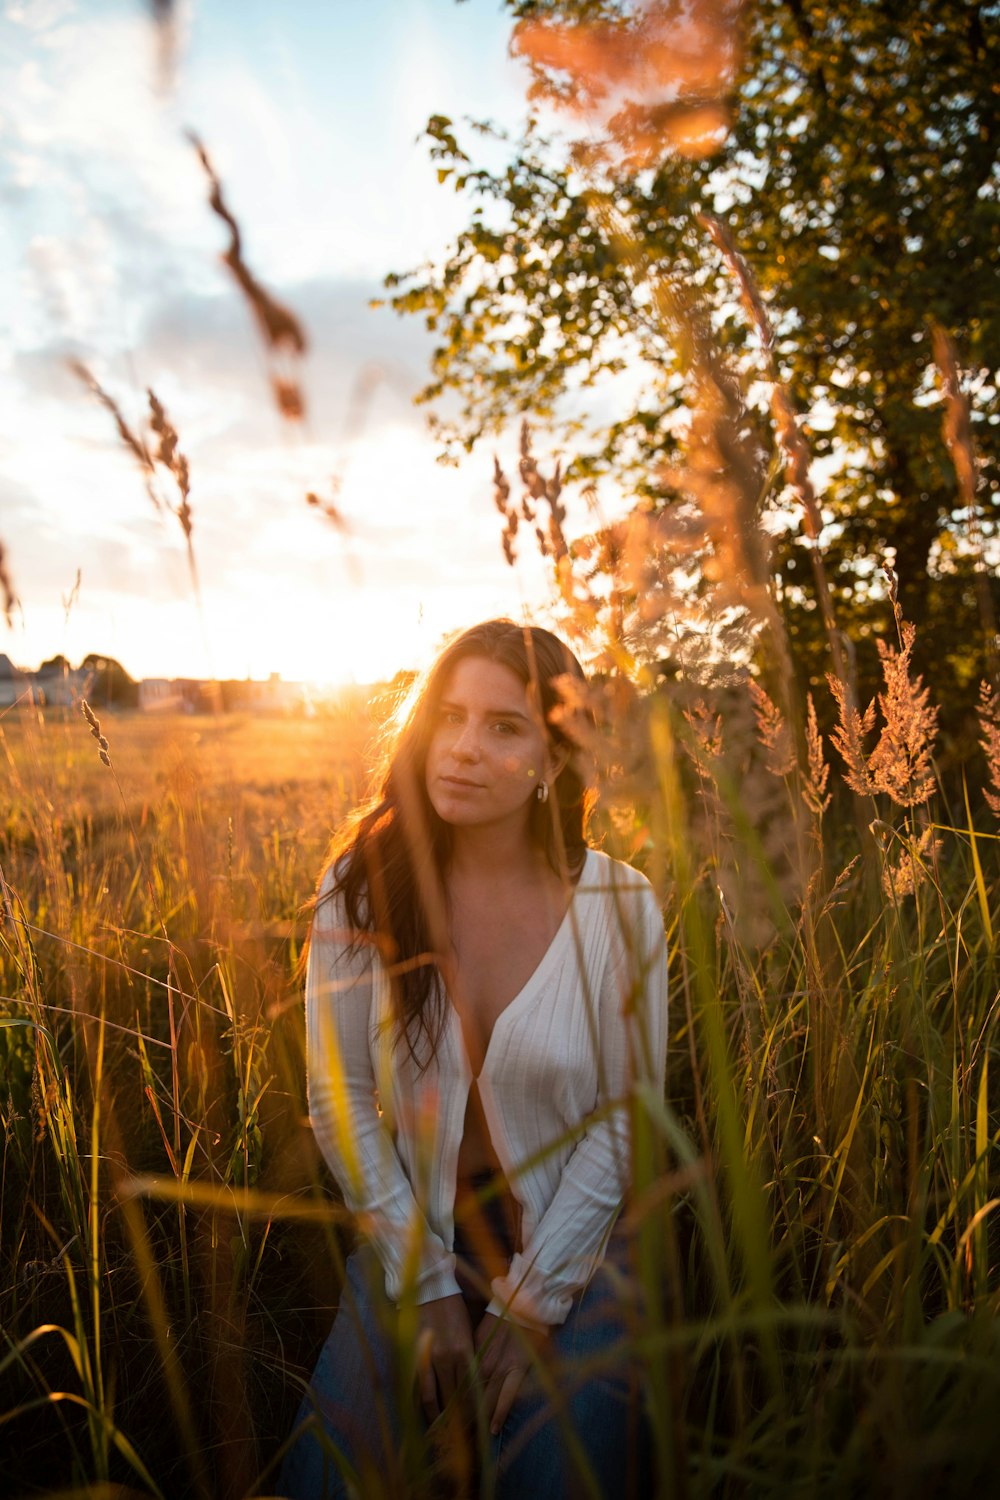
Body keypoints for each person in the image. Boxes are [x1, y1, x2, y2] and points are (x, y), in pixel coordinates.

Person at [279, 619, 669, 1499]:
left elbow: (624, 1119)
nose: (461, 748)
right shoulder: (361, 884)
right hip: (414, 1226)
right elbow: (336, 1094)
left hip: (585, 1232)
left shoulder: (621, 906)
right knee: (331, 1477)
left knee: (552, 1471)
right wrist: (421, 1283)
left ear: (557, 757)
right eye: (448, 717)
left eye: (504, 727)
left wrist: (534, 1306)